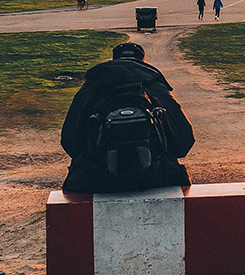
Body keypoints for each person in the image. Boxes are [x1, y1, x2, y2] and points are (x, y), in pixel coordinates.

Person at [60, 42, 195, 194]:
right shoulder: (154, 85)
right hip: (156, 178)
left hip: (98, 180)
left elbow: (69, 142)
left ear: (114, 60)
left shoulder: (92, 87)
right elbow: (184, 142)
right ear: (142, 62)